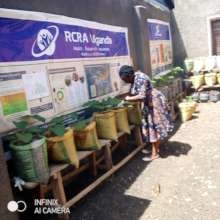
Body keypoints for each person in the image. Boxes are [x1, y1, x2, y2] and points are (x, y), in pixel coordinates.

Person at [119, 65, 173, 161]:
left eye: (125, 79)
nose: (125, 81)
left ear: (129, 75)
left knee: (154, 127)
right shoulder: (135, 78)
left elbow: (141, 95)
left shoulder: (140, 78)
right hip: (149, 103)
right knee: (151, 126)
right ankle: (154, 149)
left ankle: (155, 153)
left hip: (154, 103)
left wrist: (128, 99)